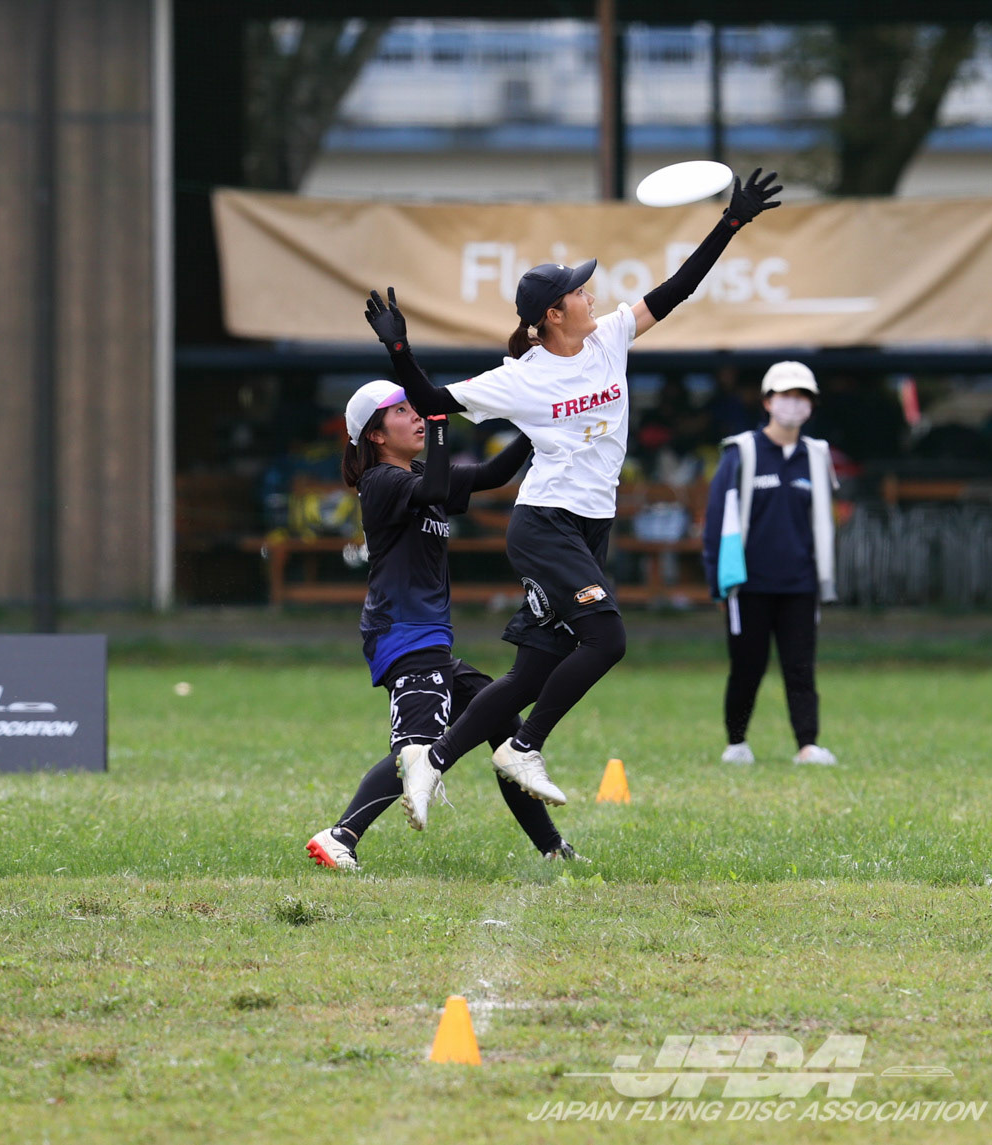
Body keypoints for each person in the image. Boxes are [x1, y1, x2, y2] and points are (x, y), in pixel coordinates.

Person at [362, 169, 783, 828]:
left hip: (590, 528)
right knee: (607, 638)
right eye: (580, 291)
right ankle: (523, 747)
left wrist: (731, 221)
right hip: (545, 525)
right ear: (553, 315)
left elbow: (679, 287)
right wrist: (398, 347)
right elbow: (433, 401)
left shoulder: (610, 336)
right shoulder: (521, 378)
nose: (593, 296)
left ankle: (433, 760)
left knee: (533, 672)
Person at [306, 381, 578, 871]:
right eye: (403, 412)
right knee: (418, 752)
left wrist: (540, 421)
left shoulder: (415, 475)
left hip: (427, 636)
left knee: (504, 726)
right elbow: (434, 487)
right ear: (375, 435)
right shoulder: (381, 481)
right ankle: (340, 836)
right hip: (404, 633)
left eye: (417, 409)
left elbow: (493, 473)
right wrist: (438, 423)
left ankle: (553, 849)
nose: (415, 415)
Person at [702, 360, 839, 766]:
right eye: (786, 395)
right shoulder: (741, 453)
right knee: (747, 668)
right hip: (748, 585)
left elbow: (823, 523)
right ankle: (736, 744)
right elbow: (716, 521)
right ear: (767, 401)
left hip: (801, 584)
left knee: (800, 668)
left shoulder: (816, 456)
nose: (794, 404)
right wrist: (717, 583)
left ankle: (807, 746)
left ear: (811, 406)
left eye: (802, 397)